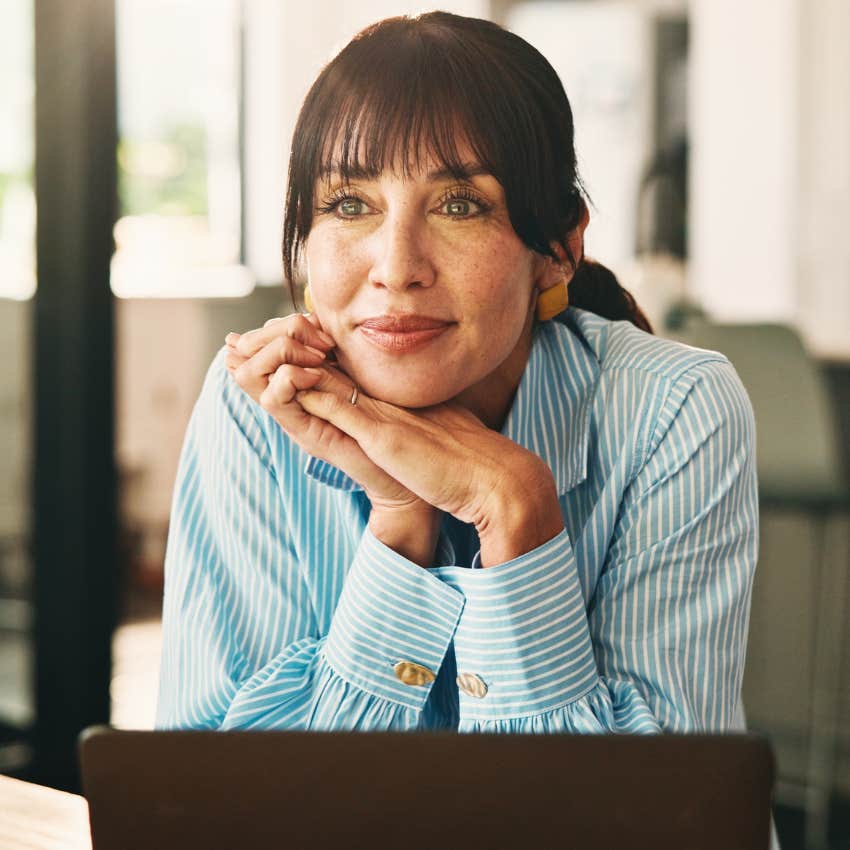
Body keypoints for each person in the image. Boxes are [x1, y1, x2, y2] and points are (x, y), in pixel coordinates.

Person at [155, 11, 758, 735]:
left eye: (460, 205)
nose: (398, 267)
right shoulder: (259, 404)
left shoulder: (674, 408)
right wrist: (401, 520)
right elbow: (224, 802)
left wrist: (513, 507)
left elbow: (658, 816)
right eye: (350, 205)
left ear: (560, 248)